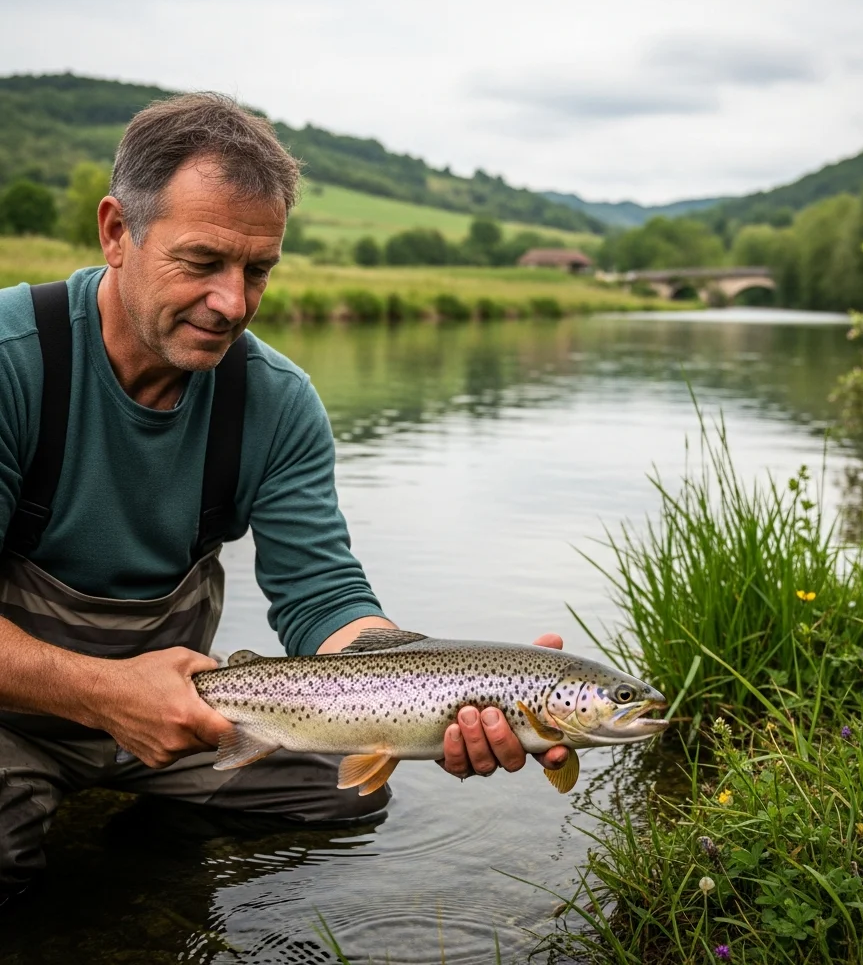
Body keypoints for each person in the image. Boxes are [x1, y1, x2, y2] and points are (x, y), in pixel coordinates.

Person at [0, 93, 567, 904]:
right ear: (117, 232)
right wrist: (105, 693)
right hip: (11, 715)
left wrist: (444, 680)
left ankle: (137, 882)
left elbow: (322, 597)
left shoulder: (275, 400)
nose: (233, 303)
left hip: (185, 720)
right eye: (202, 262)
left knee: (345, 796)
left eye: (257, 270)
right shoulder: (12, 363)